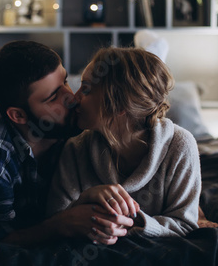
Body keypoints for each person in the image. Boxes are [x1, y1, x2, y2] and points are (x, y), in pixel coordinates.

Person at [0, 40, 135, 246]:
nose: (72, 98)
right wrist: (63, 224)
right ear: (18, 115)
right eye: (52, 97)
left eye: (65, 82)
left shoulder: (75, 125)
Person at [46, 47, 203, 241]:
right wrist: (86, 200)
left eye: (85, 89)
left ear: (119, 104)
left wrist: (132, 223)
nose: (74, 98)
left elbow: (185, 226)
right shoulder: (75, 148)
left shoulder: (180, 146)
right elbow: (54, 221)